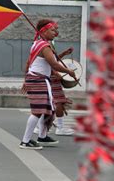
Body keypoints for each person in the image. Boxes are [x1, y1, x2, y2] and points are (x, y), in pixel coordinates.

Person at [19, 19, 76, 150]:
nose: (55, 32)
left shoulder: (38, 44)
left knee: (47, 109)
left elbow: (29, 63)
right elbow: (54, 64)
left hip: (38, 79)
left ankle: (42, 137)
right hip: (38, 80)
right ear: (44, 31)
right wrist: (69, 71)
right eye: (52, 30)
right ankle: (25, 141)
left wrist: (25, 79)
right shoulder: (44, 46)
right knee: (37, 111)